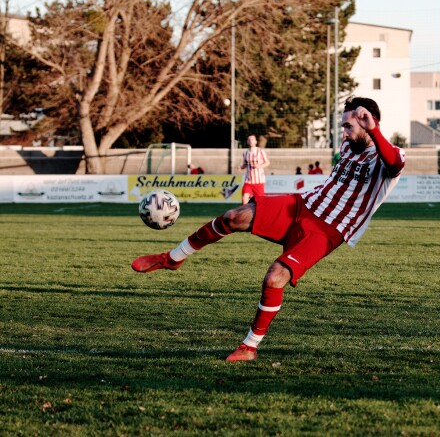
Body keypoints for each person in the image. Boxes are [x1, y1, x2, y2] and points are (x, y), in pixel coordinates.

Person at [131, 97, 405, 361]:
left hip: (327, 230)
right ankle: (172, 258)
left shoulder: (387, 155)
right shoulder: (347, 147)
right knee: (233, 216)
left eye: (349, 126)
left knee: (274, 279)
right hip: (303, 205)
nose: (344, 132)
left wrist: (374, 130)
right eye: (343, 126)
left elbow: (394, 164)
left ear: (370, 124)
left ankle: (249, 347)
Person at [240, 134, 270, 205]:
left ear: (256, 142)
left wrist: (259, 166)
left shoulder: (260, 151)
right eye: (249, 140)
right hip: (248, 180)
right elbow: (245, 164)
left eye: (252, 139)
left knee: (260, 201)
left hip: (258, 181)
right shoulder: (245, 152)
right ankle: (245, 214)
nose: (251, 141)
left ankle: (261, 214)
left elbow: (267, 162)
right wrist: (241, 167)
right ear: (247, 142)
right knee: (244, 198)